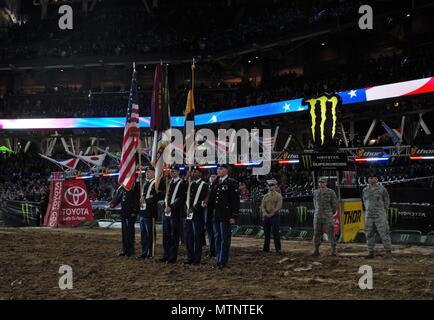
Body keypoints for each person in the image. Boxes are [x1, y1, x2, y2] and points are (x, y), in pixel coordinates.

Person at [207, 164, 240, 269]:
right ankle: (218, 258)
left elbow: (235, 201)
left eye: (221, 169)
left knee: (224, 239)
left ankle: (223, 260)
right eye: (218, 169)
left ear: (226, 170)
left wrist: (233, 216)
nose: (218, 171)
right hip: (216, 215)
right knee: (217, 237)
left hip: (226, 215)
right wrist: (206, 203)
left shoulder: (231, 183)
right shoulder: (216, 182)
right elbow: (212, 197)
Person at [160, 165, 187, 263]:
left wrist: (171, 206)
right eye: (171, 171)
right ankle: (166, 254)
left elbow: (181, 198)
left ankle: (172, 256)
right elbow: (161, 190)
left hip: (175, 212)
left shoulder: (182, 183)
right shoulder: (169, 182)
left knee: (174, 235)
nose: (172, 173)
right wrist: (164, 177)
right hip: (166, 212)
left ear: (178, 172)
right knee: (166, 235)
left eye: (174, 171)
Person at [362, 172, 392, 259]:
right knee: (369, 234)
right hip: (369, 216)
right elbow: (364, 201)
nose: (372, 179)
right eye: (370, 178)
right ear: (368, 179)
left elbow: (387, 201)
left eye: (373, 177)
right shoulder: (365, 190)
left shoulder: (382, 189)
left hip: (380, 215)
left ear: (376, 179)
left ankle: (388, 252)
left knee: (384, 233)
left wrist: (383, 211)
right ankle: (370, 252)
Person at [184, 166, 209, 265]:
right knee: (189, 237)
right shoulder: (190, 184)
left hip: (197, 214)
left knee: (197, 237)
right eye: (193, 172)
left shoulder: (204, 185)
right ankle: (190, 257)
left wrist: (193, 209)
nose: (193, 173)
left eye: (195, 172)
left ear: (200, 174)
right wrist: (186, 177)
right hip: (188, 214)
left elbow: (204, 199)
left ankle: (197, 258)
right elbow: (183, 192)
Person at [109, 178, 140, 257]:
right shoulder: (123, 189)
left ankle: (131, 251)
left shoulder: (133, 190)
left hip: (130, 214)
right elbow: (119, 199)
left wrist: (134, 212)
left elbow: (136, 201)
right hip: (124, 214)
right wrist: (113, 204)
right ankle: (125, 250)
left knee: (130, 233)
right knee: (124, 234)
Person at [312, 177, 338, 257]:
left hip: (327, 215)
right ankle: (316, 250)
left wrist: (331, 212)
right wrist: (317, 210)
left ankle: (333, 250)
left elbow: (334, 204)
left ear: (326, 183)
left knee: (331, 232)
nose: (321, 184)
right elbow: (315, 202)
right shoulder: (316, 192)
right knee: (316, 233)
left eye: (322, 182)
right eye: (320, 182)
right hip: (318, 215)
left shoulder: (331, 192)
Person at [137, 166, 158, 259]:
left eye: (149, 171)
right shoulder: (145, 183)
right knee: (144, 234)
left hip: (150, 212)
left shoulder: (156, 183)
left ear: (154, 173)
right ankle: (144, 252)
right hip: (143, 212)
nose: (147, 173)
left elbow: (157, 196)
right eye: (146, 172)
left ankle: (151, 252)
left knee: (150, 234)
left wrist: (146, 200)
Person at [261, 179, 283, 255]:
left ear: (275, 186)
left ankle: (278, 250)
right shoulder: (265, 196)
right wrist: (266, 214)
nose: (271, 187)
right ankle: (266, 250)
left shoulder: (278, 196)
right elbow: (262, 206)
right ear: (268, 187)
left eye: (272, 185)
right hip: (266, 216)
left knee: (276, 233)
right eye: (270, 186)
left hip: (275, 216)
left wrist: (272, 213)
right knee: (267, 234)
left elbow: (279, 206)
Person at [203, 173, 217, 258]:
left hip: (214, 213)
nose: (212, 178)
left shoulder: (217, 187)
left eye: (214, 176)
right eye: (211, 176)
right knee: (209, 234)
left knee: (214, 233)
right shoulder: (206, 187)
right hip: (206, 213)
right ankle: (212, 250)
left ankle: (214, 250)